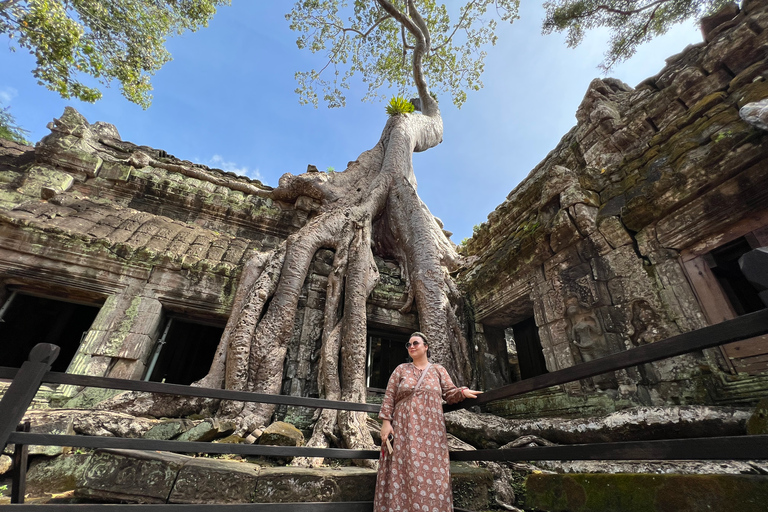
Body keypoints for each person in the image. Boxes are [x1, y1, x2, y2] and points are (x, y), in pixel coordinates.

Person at [374, 331, 481, 512]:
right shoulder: (401, 370)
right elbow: (389, 397)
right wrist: (386, 423)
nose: (412, 347)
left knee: (433, 472)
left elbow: (449, 392)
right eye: (409, 345)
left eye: (415, 343)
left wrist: (462, 392)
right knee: (402, 470)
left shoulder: (438, 370)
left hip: (432, 432)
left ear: (426, 346)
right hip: (404, 428)